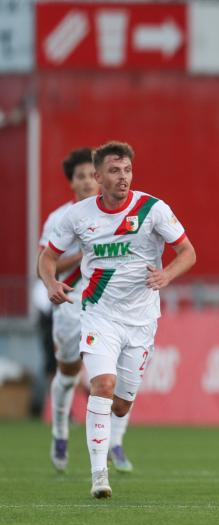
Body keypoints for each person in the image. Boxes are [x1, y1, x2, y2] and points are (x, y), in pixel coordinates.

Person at [38, 141, 196, 498]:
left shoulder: (152, 209)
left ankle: (109, 441)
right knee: (102, 385)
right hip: (98, 315)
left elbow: (188, 252)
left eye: (126, 170)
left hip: (141, 320)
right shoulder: (76, 217)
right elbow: (47, 257)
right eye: (114, 171)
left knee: (121, 405)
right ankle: (98, 476)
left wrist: (167, 275)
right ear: (98, 177)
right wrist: (50, 282)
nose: (122, 177)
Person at [37, 148, 99, 472]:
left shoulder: (115, 214)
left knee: (106, 379)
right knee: (68, 374)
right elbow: (46, 263)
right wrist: (84, 254)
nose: (88, 182)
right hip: (71, 305)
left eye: (92, 175)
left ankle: (104, 455)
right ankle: (60, 429)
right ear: (71, 182)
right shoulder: (59, 219)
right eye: (81, 176)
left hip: (106, 304)